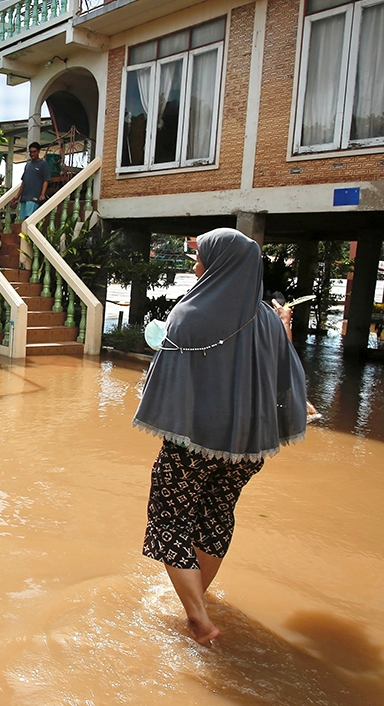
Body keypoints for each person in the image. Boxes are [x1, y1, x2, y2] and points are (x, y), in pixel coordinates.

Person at [133, 228, 307, 646]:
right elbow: (285, 374)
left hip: (193, 444)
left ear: (220, 264)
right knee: (215, 517)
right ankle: (198, 606)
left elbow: (168, 377)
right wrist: (283, 327)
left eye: (201, 259)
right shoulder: (267, 318)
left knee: (170, 520)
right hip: (247, 448)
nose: (195, 267)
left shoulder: (189, 314)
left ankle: (196, 616)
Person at [18, 142, 51, 220]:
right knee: (22, 220)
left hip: (34, 196)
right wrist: (17, 196)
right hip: (24, 197)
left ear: (39, 151)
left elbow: (46, 180)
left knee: (29, 218)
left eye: (34, 151)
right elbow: (23, 181)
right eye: (31, 152)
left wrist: (42, 194)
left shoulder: (43, 164)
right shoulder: (28, 165)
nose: (32, 154)